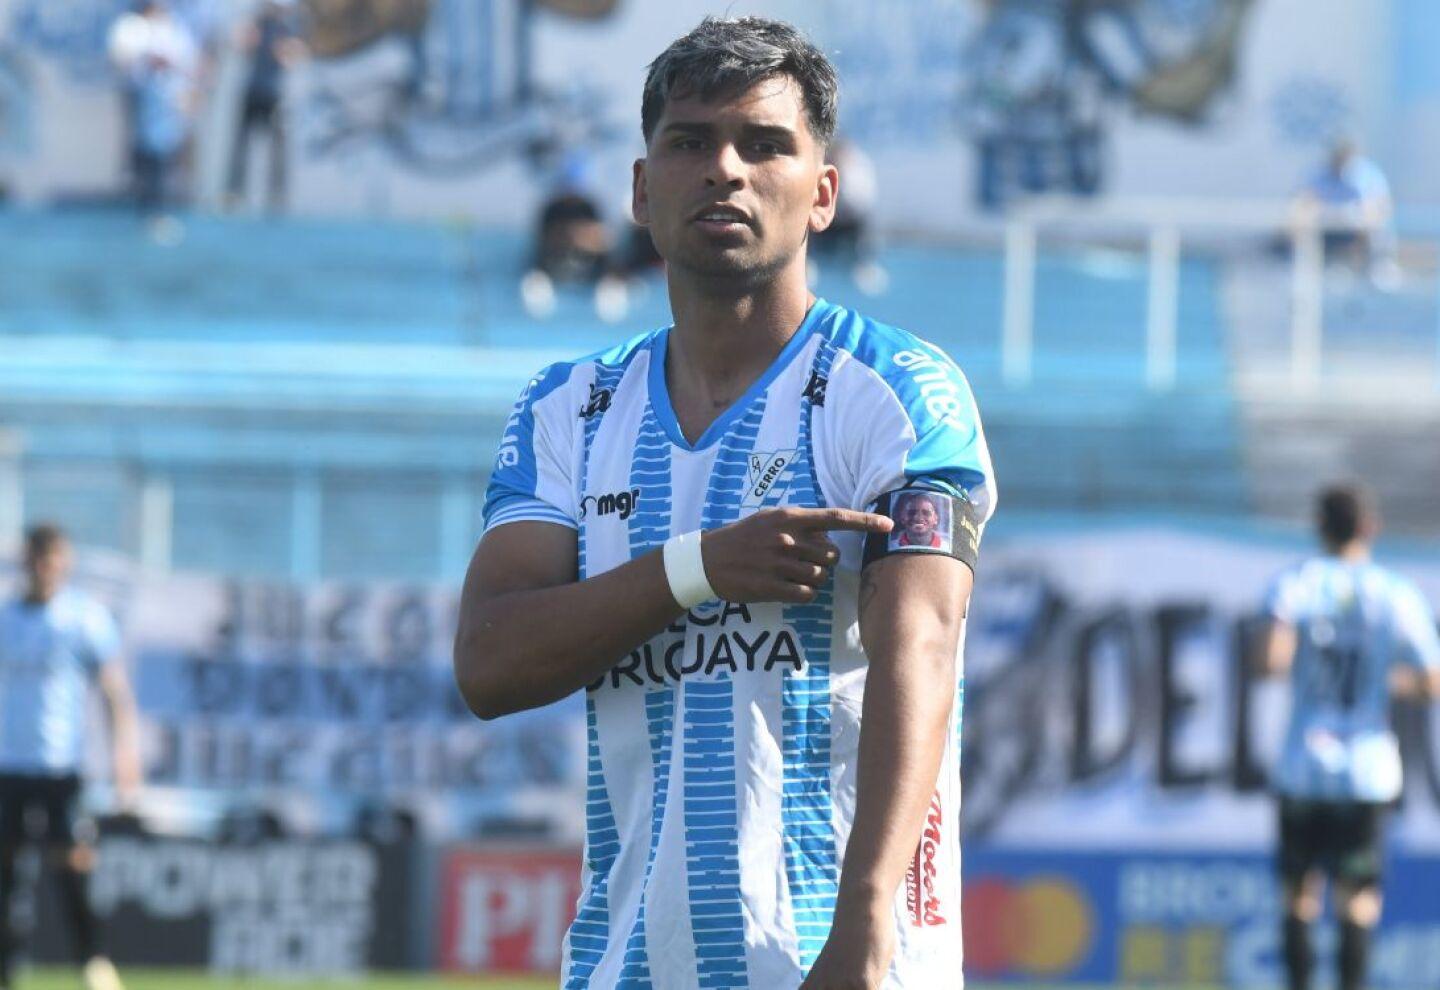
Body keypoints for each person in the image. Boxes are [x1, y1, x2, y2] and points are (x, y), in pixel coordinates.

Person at [455, 17, 995, 989]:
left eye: (765, 143)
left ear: (824, 192)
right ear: (640, 188)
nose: (726, 169)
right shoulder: (566, 409)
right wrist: (696, 569)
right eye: (690, 141)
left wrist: (868, 916)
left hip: (846, 960)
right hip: (629, 965)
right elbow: (489, 662)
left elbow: (924, 640)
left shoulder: (903, 388)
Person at [1257, 484, 1440, 990]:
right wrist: (1388, 681)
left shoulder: (1298, 584)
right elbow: (1431, 679)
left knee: (1299, 894)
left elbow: (1270, 661)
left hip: (1303, 767)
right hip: (1366, 770)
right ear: (1370, 528)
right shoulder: (1393, 594)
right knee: (1358, 898)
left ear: (1319, 527)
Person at [0, 525, 143, 990]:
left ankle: (94, 965)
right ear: (27, 562)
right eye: (38, 558)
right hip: (8, 767)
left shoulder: (82, 618)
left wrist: (125, 759)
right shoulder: (5, 618)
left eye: (54, 558)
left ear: (66, 563)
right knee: (7, 876)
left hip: (61, 767)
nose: (46, 568)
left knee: (74, 869)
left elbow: (114, 693)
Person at [107, 1, 198, 240]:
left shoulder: (174, 26)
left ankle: (160, 208)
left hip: (167, 100)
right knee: (145, 154)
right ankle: (144, 207)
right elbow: (122, 59)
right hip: (142, 97)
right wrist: (147, 58)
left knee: (165, 155)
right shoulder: (132, 26)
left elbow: (186, 63)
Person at [520, 150, 630, 322]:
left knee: (611, 265)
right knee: (536, 276)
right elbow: (544, 238)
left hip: (587, 262)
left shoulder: (589, 206)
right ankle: (540, 307)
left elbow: (601, 238)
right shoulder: (552, 208)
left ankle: (609, 298)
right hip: (554, 262)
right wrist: (571, 235)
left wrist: (580, 237)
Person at [225, 0, 305, 213]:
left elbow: (293, 59)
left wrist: (283, 49)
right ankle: (234, 191)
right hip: (253, 90)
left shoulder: (290, 28)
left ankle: (276, 195)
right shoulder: (258, 24)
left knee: (278, 148)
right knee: (241, 144)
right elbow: (240, 47)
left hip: (276, 94)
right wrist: (249, 39)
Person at [1290, 139, 1399, 287]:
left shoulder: (1367, 175)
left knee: (1372, 233)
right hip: (1328, 233)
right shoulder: (1320, 175)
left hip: (1360, 234)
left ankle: (1375, 270)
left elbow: (1381, 208)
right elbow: (1303, 204)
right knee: (1303, 229)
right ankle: (1320, 269)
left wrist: (1360, 216)